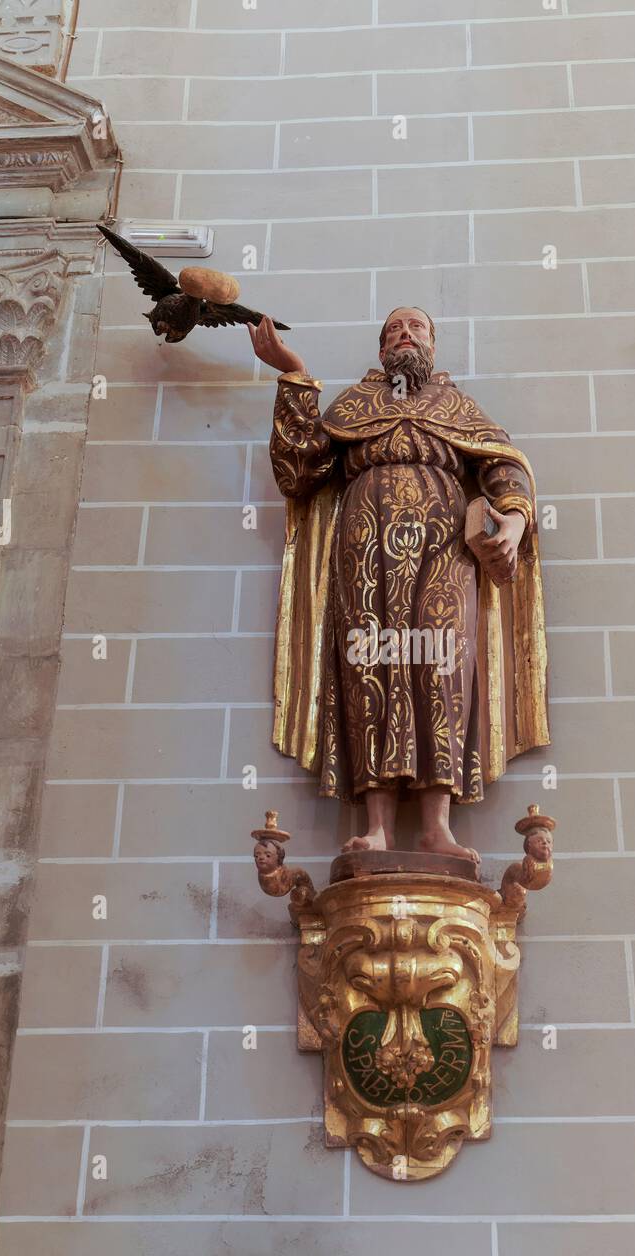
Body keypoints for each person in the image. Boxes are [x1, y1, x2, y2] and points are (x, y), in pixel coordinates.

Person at [249, 307, 548, 861]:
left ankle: (438, 827)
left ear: (432, 344)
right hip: (364, 544)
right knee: (368, 666)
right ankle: (378, 827)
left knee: (442, 666)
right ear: (382, 349)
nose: (405, 334)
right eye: (393, 329)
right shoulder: (356, 404)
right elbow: (299, 470)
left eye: (416, 328)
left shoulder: (457, 407)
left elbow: (502, 467)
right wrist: (293, 375)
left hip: (446, 548)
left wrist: (514, 518)